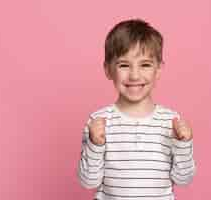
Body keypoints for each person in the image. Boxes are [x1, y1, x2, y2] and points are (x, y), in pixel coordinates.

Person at [77, 18, 196, 200]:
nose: (134, 75)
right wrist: (95, 145)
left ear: (158, 70)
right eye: (124, 65)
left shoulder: (171, 121)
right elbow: (88, 182)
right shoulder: (98, 120)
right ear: (108, 69)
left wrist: (183, 145)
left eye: (145, 65)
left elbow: (183, 179)